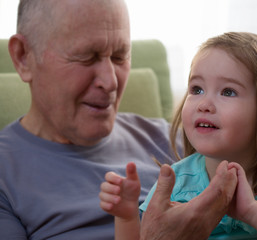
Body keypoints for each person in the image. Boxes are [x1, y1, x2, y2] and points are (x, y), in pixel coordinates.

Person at [0, 0, 239, 239]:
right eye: (86, 57)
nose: (111, 81)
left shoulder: (177, 139)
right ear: (23, 57)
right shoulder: (6, 174)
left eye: (119, 57)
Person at [99, 32, 257, 240]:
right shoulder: (175, 183)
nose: (204, 103)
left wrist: (252, 212)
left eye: (228, 91)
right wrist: (127, 216)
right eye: (197, 89)